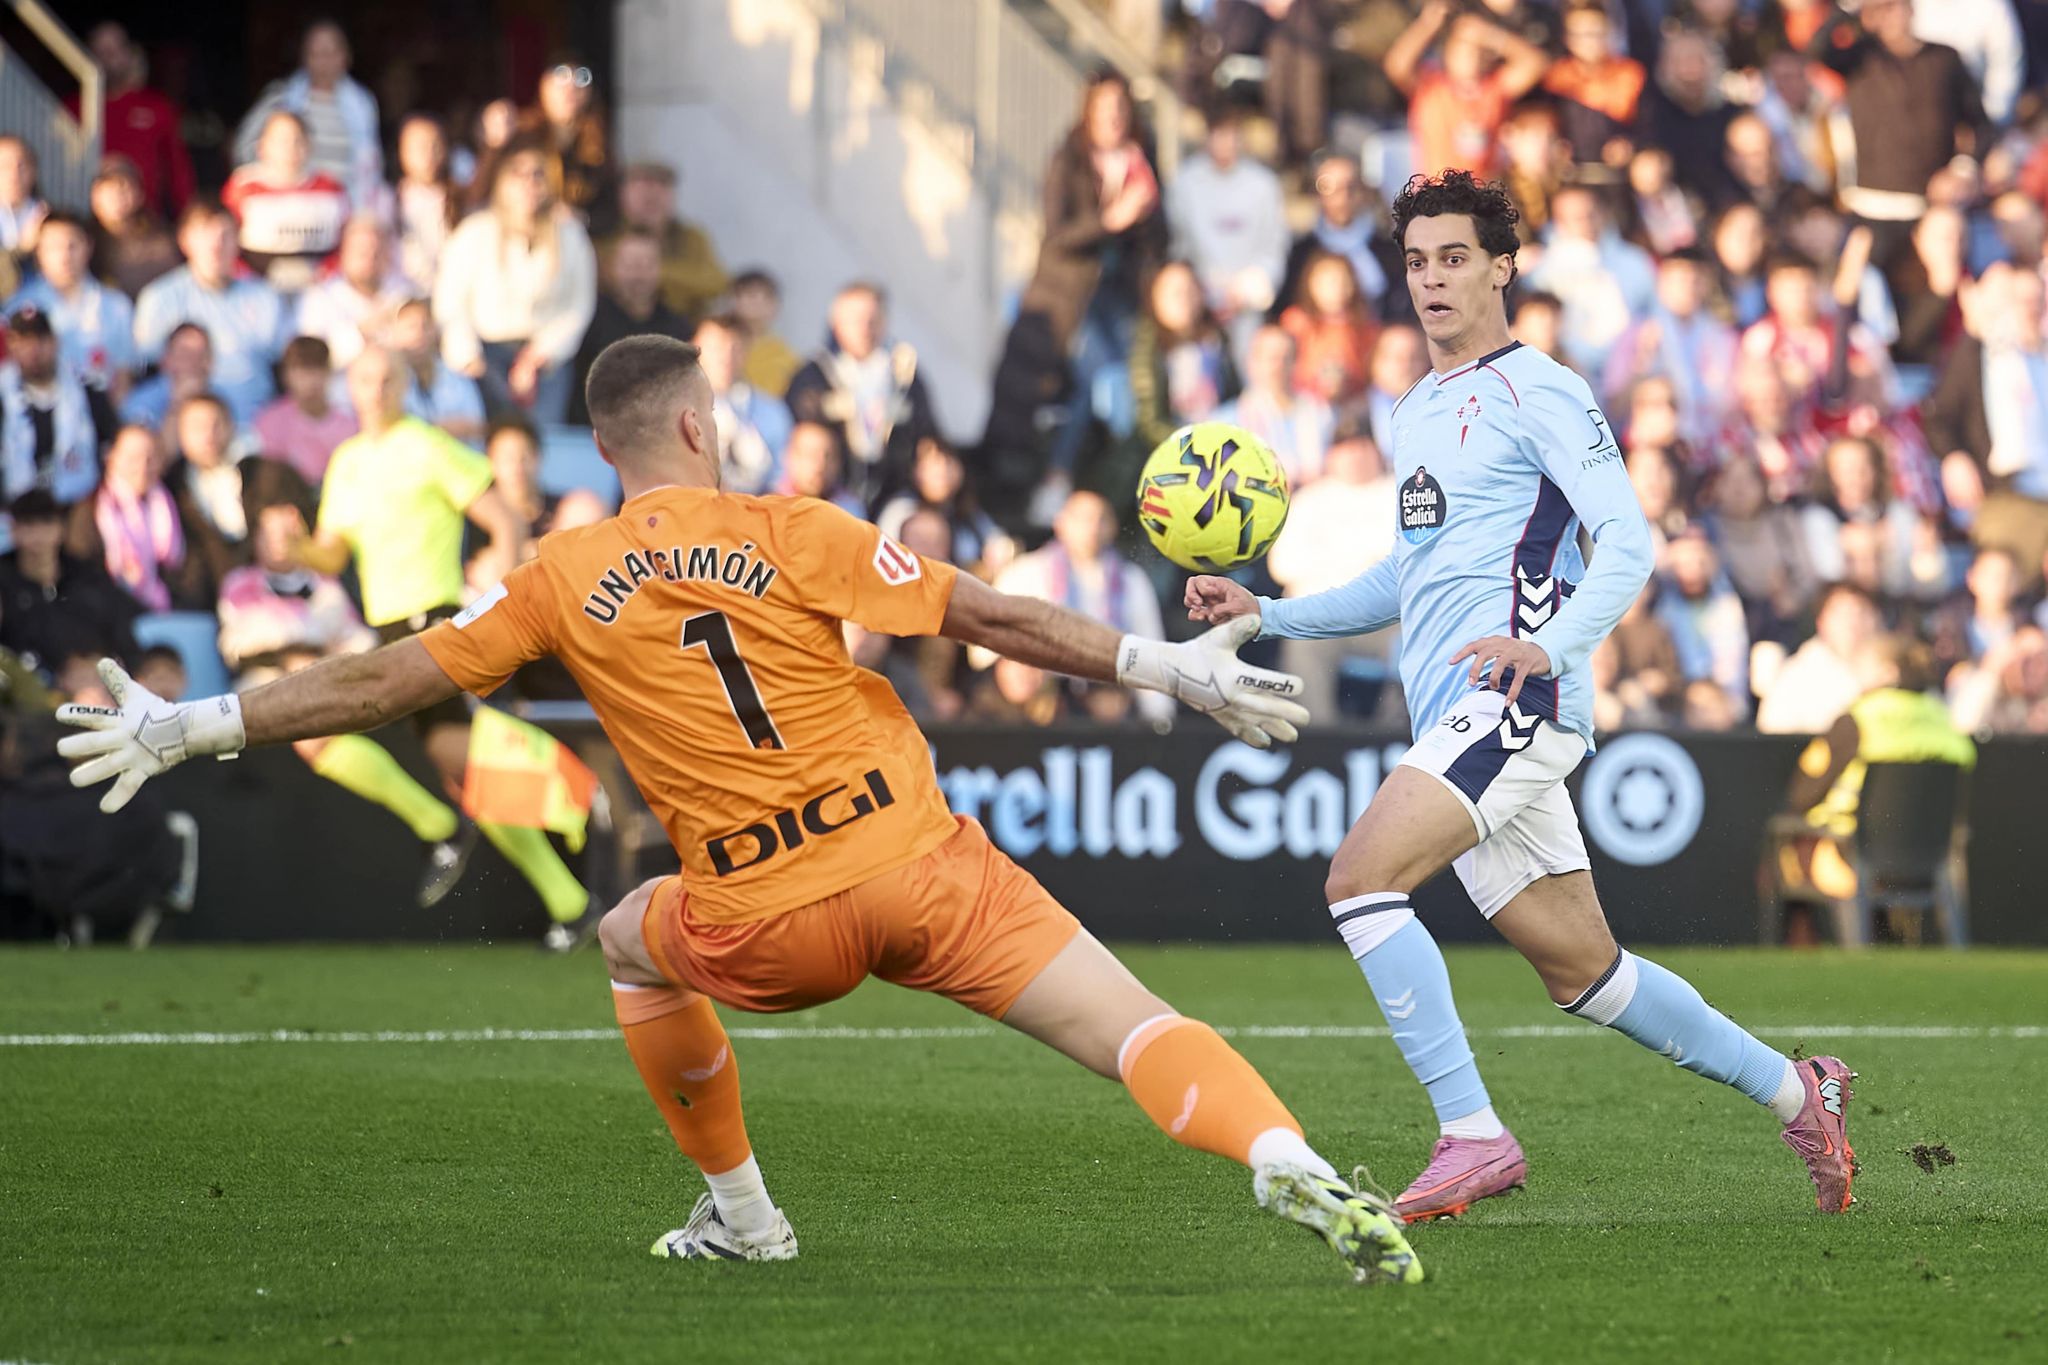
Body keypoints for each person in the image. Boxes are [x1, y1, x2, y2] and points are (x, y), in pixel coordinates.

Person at [56, 332, 1421, 1285]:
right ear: (701, 426)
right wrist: (1162, 665)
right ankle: (1282, 1153)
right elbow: (990, 616)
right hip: (923, 870)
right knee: (1138, 1027)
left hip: (765, 923)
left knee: (629, 935)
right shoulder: (793, 526)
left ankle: (746, 1218)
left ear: (604, 448)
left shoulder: (557, 573)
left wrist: (196, 723)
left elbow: (387, 676)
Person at [1185, 170, 1857, 1225]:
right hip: (1461, 712)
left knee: (1358, 881)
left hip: (1511, 703)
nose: (1431, 279)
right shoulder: (1414, 408)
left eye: (1454, 257)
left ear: (1501, 267)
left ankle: (1472, 1135)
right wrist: (1265, 612)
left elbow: (1626, 541)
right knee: (1585, 973)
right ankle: (1798, 1091)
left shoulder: (1540, 389)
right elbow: (1402, 579)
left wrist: (1546, 648)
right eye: (1416, 261)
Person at [287, 346, 589, 947]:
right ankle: (568, 893)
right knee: (469, 768)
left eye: (387, 378)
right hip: (388, 632)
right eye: (365, 378)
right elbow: (332, 555)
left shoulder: (428, 446)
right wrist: (296, 547)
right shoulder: (347, 462)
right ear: (351, 387)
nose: (376, 389)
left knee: (325, 731)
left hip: (436, 623)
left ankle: (527, 811)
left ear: (405, 385)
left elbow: (505, 520)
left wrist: (502, 607)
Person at [219, 480, 477, 911]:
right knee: (313, 731)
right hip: (262, 688)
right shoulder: (241, 584)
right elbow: (239, 642)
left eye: (289, 533)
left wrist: (318, 660)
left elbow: (357, 640)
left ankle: (446, 824)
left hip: (326, 687)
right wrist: (296, 653)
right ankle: (438, 823)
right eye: (270, 533)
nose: (280, 543)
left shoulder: (325, 586)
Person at [1771, 635, 1975, 939]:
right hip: (1934, 863)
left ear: (1886, 672)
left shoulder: (1858, 720)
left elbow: (1802, 795)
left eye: (1861, 668)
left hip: (1849, 860)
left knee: (1780, 843)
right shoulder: (1944, 719)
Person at [1807, 0, 1987, 302]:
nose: (1887, 16)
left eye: (1892, 6)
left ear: (1911, 8)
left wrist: (1962, 170)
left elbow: (1981, 126)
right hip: (1870, 211)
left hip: (1930, 213)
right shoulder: (1860, 58)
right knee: (1864, 303)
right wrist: (1850, 8)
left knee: (1937, 299)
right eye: (1878, 9)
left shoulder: (1944, 59)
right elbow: (1817, 48)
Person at [434, 141, 597, 426]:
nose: (529, 183)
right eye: (517, 174)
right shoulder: (475, 232)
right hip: (484, 358)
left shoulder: (570, 235)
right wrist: (467, 358)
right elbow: (450, 302)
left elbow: (579, 305)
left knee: (543, 439)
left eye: (537, 174)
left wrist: (538, 356)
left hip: (547, 360)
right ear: (501, 181)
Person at [987, 489, 1171, 726]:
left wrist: (1158, 718)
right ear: (1060, 523)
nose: (1091, 527)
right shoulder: (1026, 572)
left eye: (1100, 519)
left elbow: (1150, 654)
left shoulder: (1131, 581)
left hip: (1107, 700)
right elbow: (987, 648)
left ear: (1112, 527)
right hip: (1037, 697)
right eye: (1082, 518)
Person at [1265, 424, 1398, 722]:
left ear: (1376, 451)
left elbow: (1401, 565)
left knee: (1414, 642)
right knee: (1302, 643)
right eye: (1346, 448)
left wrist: (1331, 557)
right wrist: (1361, 557)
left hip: (1384, 620)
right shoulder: (1310, 500)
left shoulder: (1398, 493)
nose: (1355, 456)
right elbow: (1282, 565)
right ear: (1331, 455)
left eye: (1362, 446)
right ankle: (1316, 737)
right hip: (1321, 616)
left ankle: (1396, 739)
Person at [133, 200, 289, 426]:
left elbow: (283, 365)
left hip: (254, 425)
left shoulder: (265, 297)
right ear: (184, 241)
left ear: (238, 242)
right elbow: (147, 370)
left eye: (226, 235)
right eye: (205, 235)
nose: (216, 246)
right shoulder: (159, 298)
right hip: (187, 429)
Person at [786, 283, 936, 514]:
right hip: (828, 497)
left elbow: (927, 433)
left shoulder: (904, 377)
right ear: (836, 323)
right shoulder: (813, 375)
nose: (865, 328)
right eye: (855, 319)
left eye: (873, 319)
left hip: (895, 497)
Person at [1167, 107, 1288, 365]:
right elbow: (1180, 246)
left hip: (1248, 307)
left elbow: (1274, 247)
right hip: (1198, 306)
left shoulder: (1263, 185)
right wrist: (1202, 293)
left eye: (1231, 134)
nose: (1225, 143)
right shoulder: (1185, 183)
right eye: (1218, 134)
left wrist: (1244, 292)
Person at [1383, 1, 1550, 182]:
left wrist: (1490, 35)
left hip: (1483, 191)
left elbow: (1535, 63)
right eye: (1463, 46)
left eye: (1479, 48)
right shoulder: (1430, 86)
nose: (1472, 55)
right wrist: (1428, 25)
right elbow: (1397, 65)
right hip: (1437, 189)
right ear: (1448, 50)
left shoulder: (1494, 88)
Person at [1600, 247, 1739, 448]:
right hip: (1650, 447)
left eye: (1696, 280)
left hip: (1710, 445)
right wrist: (1641, 364)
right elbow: (1614, 408)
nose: (1688, 288)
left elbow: (1733, 405)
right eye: (1680, 280)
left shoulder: (1722, 338)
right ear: (1662, 283)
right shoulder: (1636, 333)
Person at [233, 20, 383, 207]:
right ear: (304, 58)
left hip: (348, 206)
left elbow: (371, 164)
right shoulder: (280, 97)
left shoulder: (363, 104)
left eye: (331, 52)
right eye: (316, 53)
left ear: (346, 56)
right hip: (289, 204)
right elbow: (245, 149)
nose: (324, 61)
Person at [1522, 182, 1656, 375]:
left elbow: (1652, 314)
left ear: (1605, 213)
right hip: (1565, 368)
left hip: (1628, 370)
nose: (1586, 223)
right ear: (1559, 221)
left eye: (1591, 214)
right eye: (1576, 218)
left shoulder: (1635, 260)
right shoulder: (1541, 270)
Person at [0, 491, 137, 674]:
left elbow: (120, 633)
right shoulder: (4, 580)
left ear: (61, 528)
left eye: (46, 523)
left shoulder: (87, 577)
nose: (38, 535)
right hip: (22, 683)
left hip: (91, 680)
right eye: (28, 525)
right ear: (14, 530)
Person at [0, 305, 112, 528]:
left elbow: (109, 450)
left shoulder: (88, 391)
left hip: (76, 510)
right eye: (23, 342)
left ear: (55, 342)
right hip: (15, 514)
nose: (33, 351)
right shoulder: (3, 396)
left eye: (40, 340)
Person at [568, 229, 692, 425]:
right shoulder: (587, 318)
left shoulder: (677, 328)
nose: (638, 275)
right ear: (611, 268)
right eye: (630, 265)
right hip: (588, 430)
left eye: (647, 265)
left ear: (660, 268)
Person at [8, 212, 138, 394]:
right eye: (54, 247)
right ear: (38, 251)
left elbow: (124, 374)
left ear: (89, 247)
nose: (65, 256)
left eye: (72, 246)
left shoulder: (117, 306)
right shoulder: (18, 307)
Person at [222, 111, 350, 294]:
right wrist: (252, 281)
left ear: (309, 145)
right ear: (262, 146)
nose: (290, 149)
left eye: (298, 140)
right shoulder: (242, 187)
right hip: (255, 291)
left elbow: (348, 243)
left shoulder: (332, 189)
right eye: (281, 141)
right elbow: (226, 241)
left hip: (320, 291)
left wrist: (325, 274)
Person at [475, 58, 615, 223]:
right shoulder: (521, 133)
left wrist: (582, 218)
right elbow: (479, 194)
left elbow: (609, 204)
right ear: (543, 85)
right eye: (561, 76)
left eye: (581, 78)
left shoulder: (596, 142)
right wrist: (493, 146)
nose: (570, 88)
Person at [78, 23, 196, 218]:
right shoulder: (73, 108)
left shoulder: (157, 107)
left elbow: (177, 169)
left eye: (114, 50)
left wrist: (186, 216)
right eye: (100, 51)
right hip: (86, 220)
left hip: (147, 220)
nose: (107, 58)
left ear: (129, 53)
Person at [1277, 151, 1403, 327]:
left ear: (1364, 192)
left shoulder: (1389, 251)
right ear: (1316, 194)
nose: (1342, 197)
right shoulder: (1301, 253)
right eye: (1328, 187)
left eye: (1351, 186)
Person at [1127, 260, 1238, 454]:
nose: (1184, 299)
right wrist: (1191, 445)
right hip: (1172, 452)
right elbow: (1150, 423)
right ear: (1155, 298)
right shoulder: (1147, 348)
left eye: (1190, 290)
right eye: (1175, 293)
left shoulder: (1217, 341)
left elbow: (1234, 396)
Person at [602, 163, 726, 324]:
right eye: (643, 184)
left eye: (662, 185)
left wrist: (656, 273)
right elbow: (600, 275)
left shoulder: (691, 237)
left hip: (682, 328)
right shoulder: (605, 234)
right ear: (622, 192)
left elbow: (716, 283)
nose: (653, 193)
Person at [1757, 581, 1883, 734]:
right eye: (1842, 614)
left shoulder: (1897, 670)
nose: (1853, 623)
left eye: (1861, 613)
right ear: (1821, 623)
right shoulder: (1796, 676)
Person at [81, 424, 183, 613]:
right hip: (110, 611)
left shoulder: (174, 502)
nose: (143, 467)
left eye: (151, 458)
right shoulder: (90, 507)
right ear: (111, 458)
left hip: (166, 611)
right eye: (133, 458)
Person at [1214, 324, 1333, 486]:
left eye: (1286, 358)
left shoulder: (1321, 413)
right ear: (1252, 363)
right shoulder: (1225, 422)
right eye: (1271, 358)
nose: (1279, 366)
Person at [294, 216, 409, 372]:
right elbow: (311, 360)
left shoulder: (404, 293)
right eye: (362, 252)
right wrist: (362, 332)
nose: (370, 259)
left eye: (376, 251)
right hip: (340, 385)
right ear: (344, 253)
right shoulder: (319, 298)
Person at [694, 313, 789, 496]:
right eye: (716, 348)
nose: (726, 358)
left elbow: (783, 478)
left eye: (735, 348)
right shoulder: (673, 410)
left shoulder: (772, 412)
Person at [1543, 0, 1647, 167]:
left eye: (1596, 33)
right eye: (1581, 34)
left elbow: (1647, 126)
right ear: (1568, 38)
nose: (1590, 41)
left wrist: (1629, 144)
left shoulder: (1630, 74)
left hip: (1618, 168)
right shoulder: (1557, 77)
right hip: (1569, 169)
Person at [253, 336, 356, 485]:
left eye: (317, 369)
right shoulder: (270, 422)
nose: (311, 380)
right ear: (286, 375)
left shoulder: (349, 426)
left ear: (329, 372)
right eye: (302, 371)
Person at [1278, 253, 1379, 405]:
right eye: (1328, 282)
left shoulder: (1365, 326)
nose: (1336, 288)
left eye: (1343, 281)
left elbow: (1371, 370)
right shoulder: (1296, 321)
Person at [391, 299, 486, 447]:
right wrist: (442, 429)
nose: (419, 333)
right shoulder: (389, 382)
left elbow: (476, 426)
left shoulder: (458, 380)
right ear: (396, 334)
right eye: (411, 327)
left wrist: (430, 429)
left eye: (425, 326)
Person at [385, 114, 461, 292]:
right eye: (419, 147)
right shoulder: (386, 201)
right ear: (402, 151)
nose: (429, 154)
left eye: (435, 145)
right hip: (401, 296)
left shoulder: (460, 199)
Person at [86, 158, 180, 300]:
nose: (117, 196)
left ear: (140, 196)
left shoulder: (159, 241)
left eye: (125, 187)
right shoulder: (83, 237)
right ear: (94, 197)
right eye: (109, 188)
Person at [120, 321, 210, 437]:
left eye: (200, 355)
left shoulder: (220, 397)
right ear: (166, 359)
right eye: (185, 354)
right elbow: (152, 446)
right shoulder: (142, 402)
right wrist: (178, 405)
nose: (193, 363)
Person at [774, 419, 865, 518]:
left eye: (828, 456)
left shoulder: (850, 512)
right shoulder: (770, 510)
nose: (820, 465)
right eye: (811, 454)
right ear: (789, 456)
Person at [730, 269, 798, 398]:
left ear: (775, 305)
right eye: (749, 294)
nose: (756, 303)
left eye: (765, 297)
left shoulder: (783, 354)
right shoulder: (717, 346)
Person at [0, 136, 48, 256]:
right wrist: (22, 248)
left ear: (34, 170)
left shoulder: (47, 217)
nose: (14, 174)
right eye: (5, 166)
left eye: (21, 166)